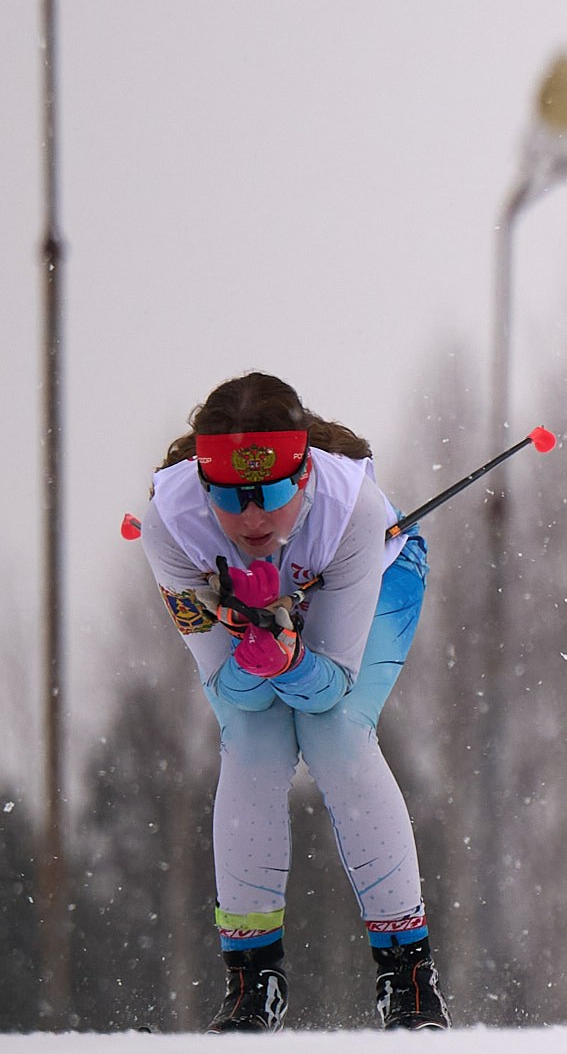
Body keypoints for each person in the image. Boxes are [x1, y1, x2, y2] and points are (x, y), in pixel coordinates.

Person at [132, 372, 444, 1032]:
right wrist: (254, 645)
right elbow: (231, 692)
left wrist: (291, 657)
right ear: (202, 484)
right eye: (230, 498)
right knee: (252, 740)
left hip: (381, 577)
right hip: (264, 632)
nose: (252, 518)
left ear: (303, 478)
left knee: (334, 733)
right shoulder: (169, 524)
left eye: (272, 493)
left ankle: (407, 975)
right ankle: (252, 981)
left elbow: (330, 683)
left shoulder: (352, 509)